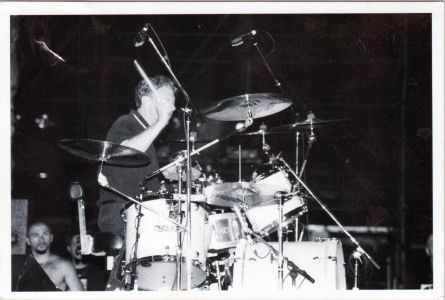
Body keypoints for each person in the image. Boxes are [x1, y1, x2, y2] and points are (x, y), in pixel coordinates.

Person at [97, 75, 177, 235]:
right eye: (167, 100)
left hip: (142, 212)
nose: (173, 108)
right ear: (147, 101)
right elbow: (123, 153)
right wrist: (161, 122)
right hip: (121, 212)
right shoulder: (126, 122)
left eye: (173, 102)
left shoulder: (147, 133)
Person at [25, 221, 83, 291]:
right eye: (35, 235)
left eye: (45, 234)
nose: (41, 239)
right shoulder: (20, 266)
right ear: (28, 241)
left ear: (51, 238)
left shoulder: (63, 266)